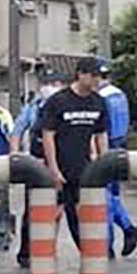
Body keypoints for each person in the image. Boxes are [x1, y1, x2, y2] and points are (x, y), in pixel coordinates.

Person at [40, 58, 109, 249]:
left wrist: (104, 166)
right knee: (52, 214)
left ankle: (89, 257)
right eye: (93, 75)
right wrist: (53, 169)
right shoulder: (58, 101)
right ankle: (43, 256)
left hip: (84, 169)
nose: (97, 80)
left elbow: (101, 135)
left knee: (82, 217)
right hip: (60, 166)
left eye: (99, 76)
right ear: (81, 74)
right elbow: (48, 135)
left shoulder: (98, 102)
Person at [12, 72, 67, 267]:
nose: (49, 87)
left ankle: (49, 247)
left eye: (54, 83)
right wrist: (16, 156)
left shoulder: (64, 105)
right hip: (35, 165)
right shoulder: (33, 107)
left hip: (60, 164)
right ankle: (26, 252)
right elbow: (17, 130)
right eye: (47, 83)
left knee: (59, 209)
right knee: (31, 210)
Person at [97, 59, 137, 258]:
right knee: (112, 195)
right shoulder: (119, 95)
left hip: (106, 149)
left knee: (104, 197)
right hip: (120, 148)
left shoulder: (100, 98)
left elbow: (102, 129)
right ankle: (128, 228)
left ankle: (107, 245)